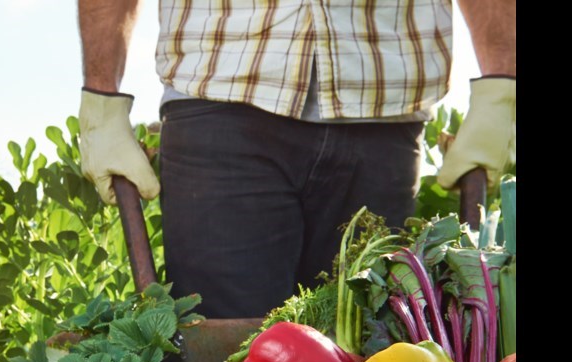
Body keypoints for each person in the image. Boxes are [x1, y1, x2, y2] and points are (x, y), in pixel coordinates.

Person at [76, 0, 515, 319]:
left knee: (369, 354)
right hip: (220, 97)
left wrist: (501, 84)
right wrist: (101, 98)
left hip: (383, 102)